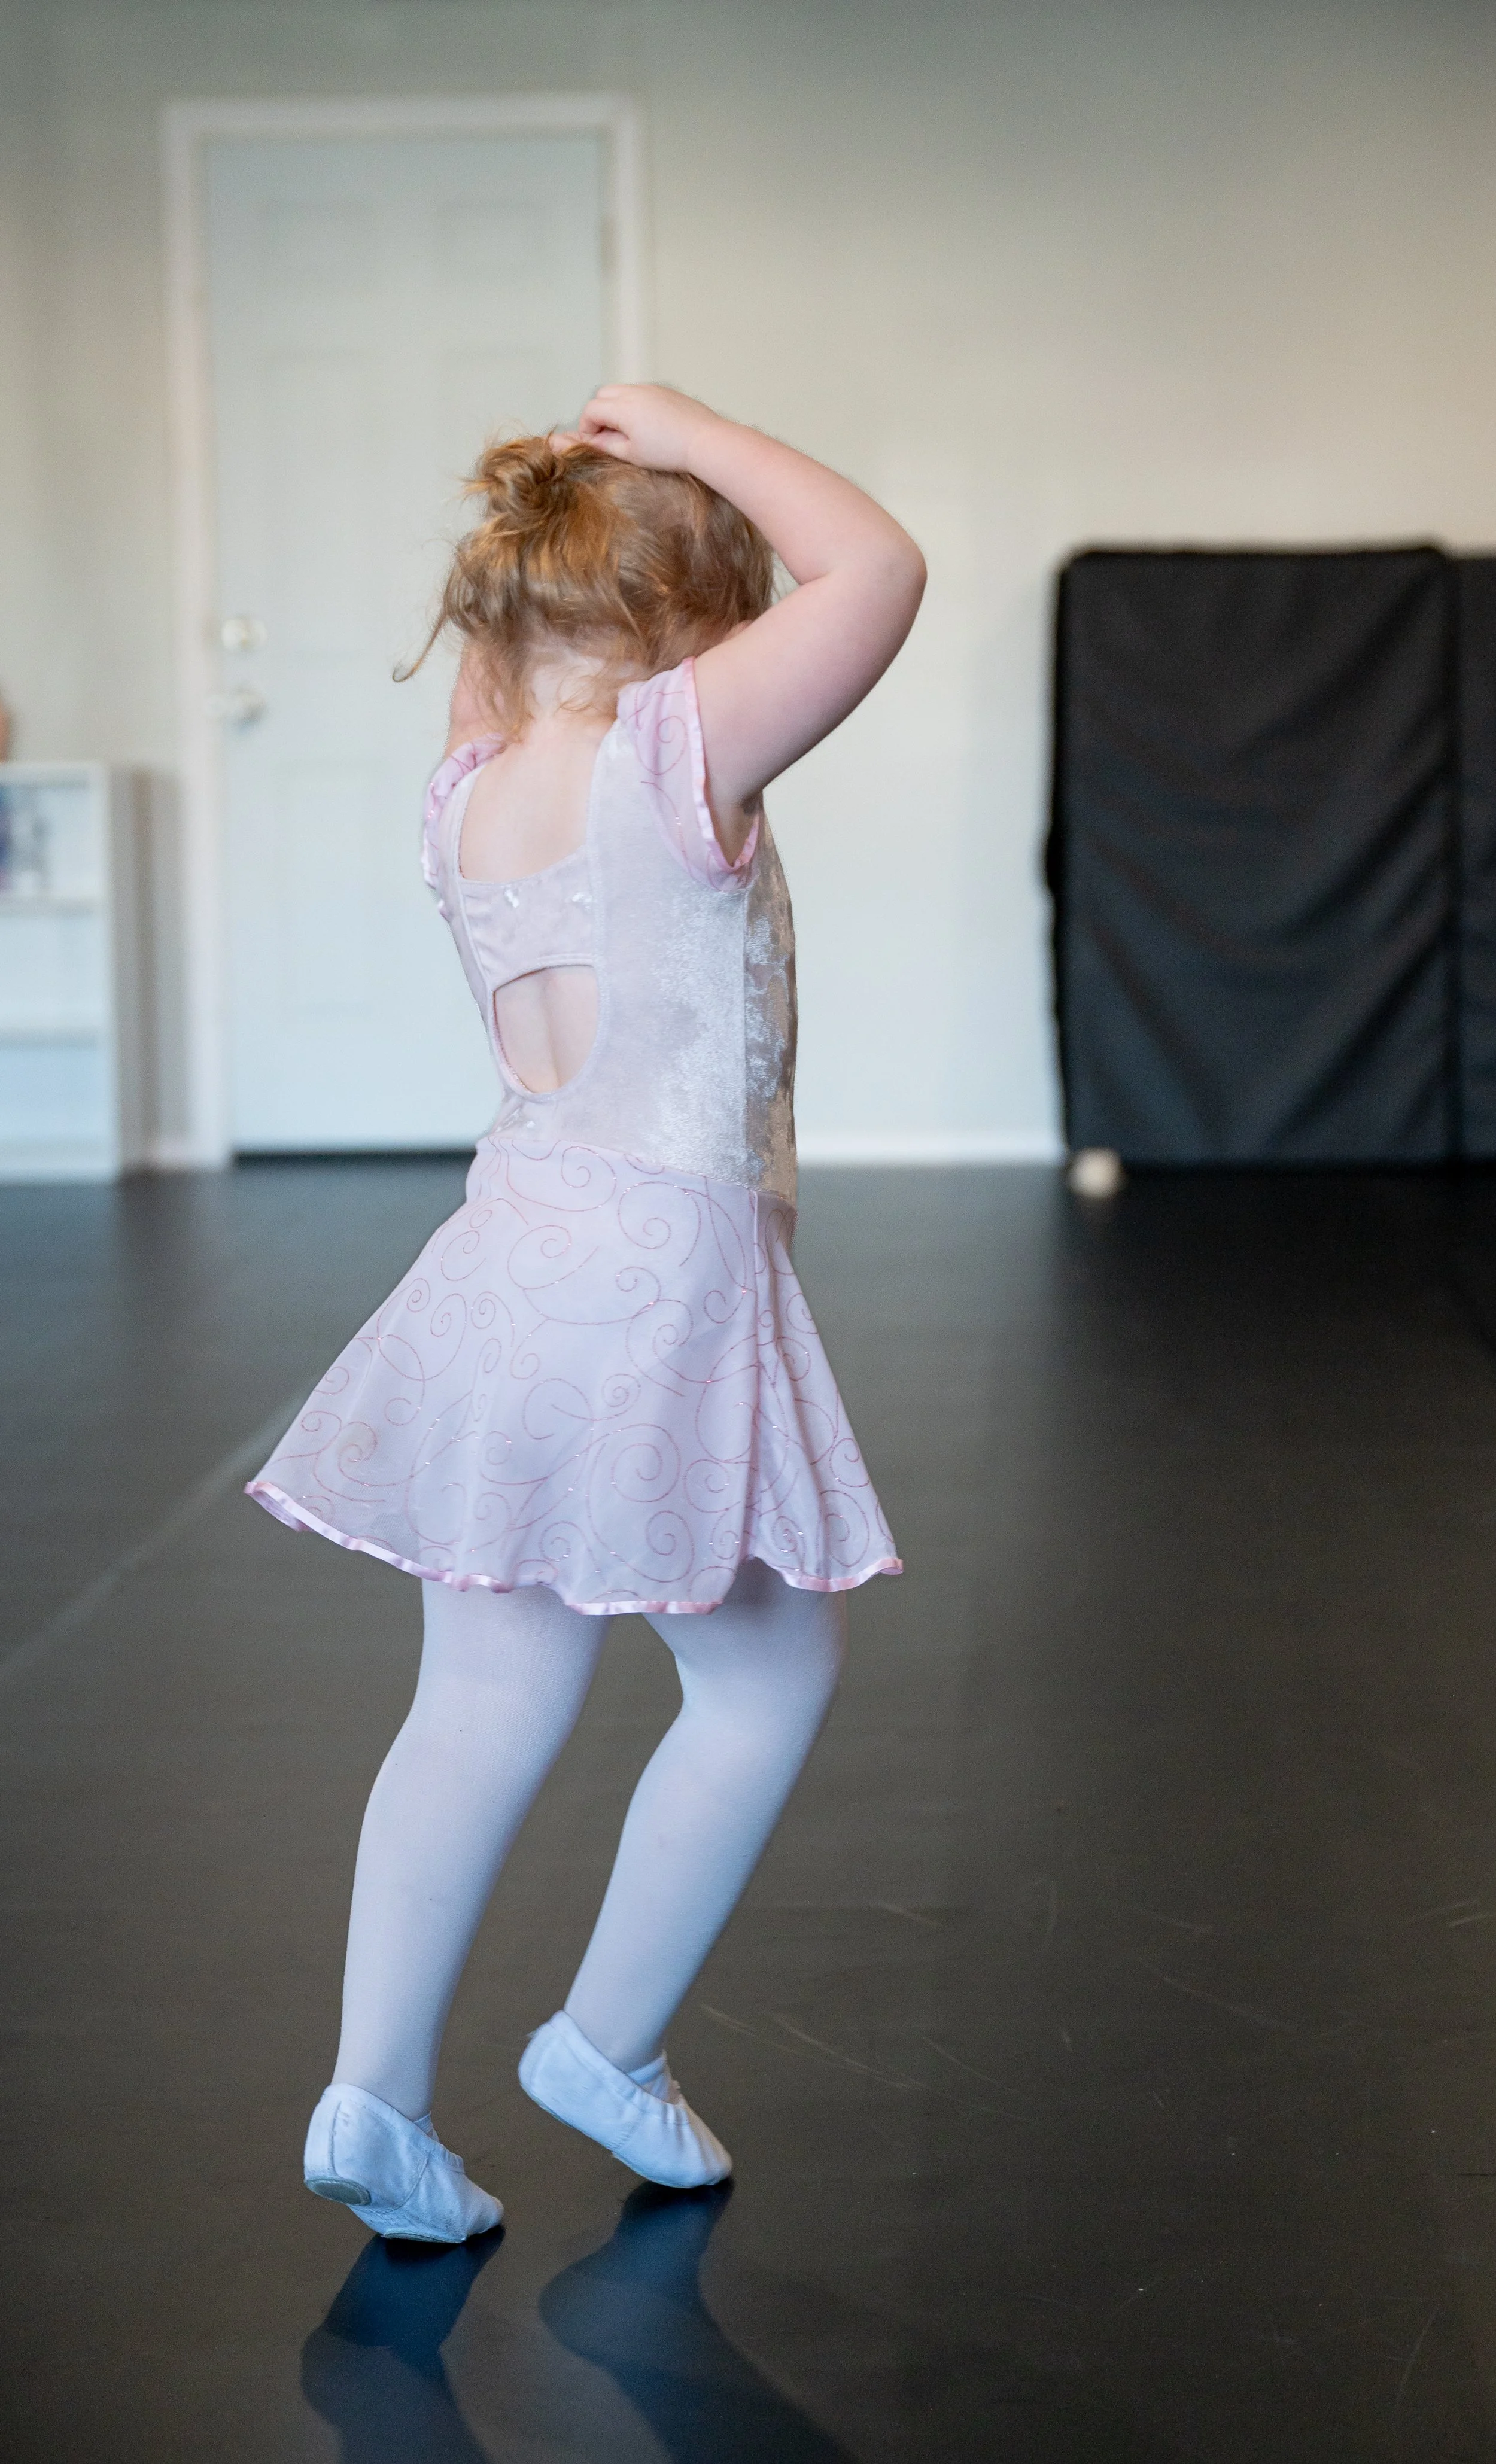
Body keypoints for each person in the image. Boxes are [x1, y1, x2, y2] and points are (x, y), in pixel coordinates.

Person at [248, 384, 925, 2241]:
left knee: (473, 1706)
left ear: (505, 627)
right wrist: (696, 426)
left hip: (500, 1261)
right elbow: (878, 563)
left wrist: (561, 513)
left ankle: (370, 2094)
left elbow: (509, 645)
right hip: (656, 1284)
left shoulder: (468, 784)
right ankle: (604, 2041)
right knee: (769, 1674)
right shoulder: (667, 758)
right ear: (693, 633)